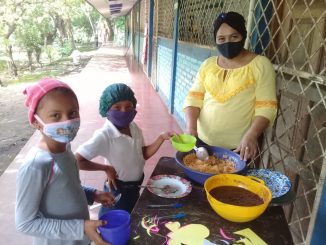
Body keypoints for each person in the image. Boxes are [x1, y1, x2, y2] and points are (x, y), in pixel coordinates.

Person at [15, 78, 115, 245]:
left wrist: (92, 194)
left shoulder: (66, 148)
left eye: (73, 113)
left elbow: (67, 186)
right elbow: (25, 223)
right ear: (35, 122)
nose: (67, 121)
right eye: (56, 115)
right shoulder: (36, 166)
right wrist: (81, 227)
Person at [183, 11, 277, 162]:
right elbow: (194, 98)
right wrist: (191, 129)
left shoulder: (260, 65)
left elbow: (266, 107)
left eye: (234, 37)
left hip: (238, 147)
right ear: (215, 40)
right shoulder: (208, 65)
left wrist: (252, 135)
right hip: (200, 142)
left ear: (243, 36)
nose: (227, 42)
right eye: (221, 38)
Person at [75, 83, 174, 216]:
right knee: (114, 221)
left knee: (132, 217)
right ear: (106, 109)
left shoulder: (134, 128)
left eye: (128, 107)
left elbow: (142, 154)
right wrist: (106, 168)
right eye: (117, 107)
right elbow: (77, 160)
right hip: (118, 189)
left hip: (136, 186)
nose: (124, 111)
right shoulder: (104, 135)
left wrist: (161, 138)